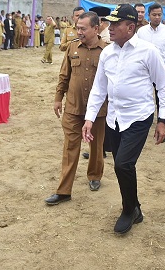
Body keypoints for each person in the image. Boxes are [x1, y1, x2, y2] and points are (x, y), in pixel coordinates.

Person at [83, 4, 165, 235]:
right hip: (114, 118)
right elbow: (98, 89)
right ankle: (136, 208)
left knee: (123, 164)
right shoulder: (107, 52)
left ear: (130, 27)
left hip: (138, 117)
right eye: (109, 23)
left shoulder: (147, 51)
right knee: (122, 165)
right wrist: (89, 118)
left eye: (115, 24)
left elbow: (163, 85)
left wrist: (163, 120)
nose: (109, 28)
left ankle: (128, 210)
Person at [45, 12, 109, 206]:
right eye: (78, 27)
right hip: (73, 107)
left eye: (83, 28)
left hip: (98, 110)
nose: (78, 31)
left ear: (96, 29)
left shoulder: (107, 50)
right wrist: (58, 98)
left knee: (96, 146)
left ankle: (95, 175)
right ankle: (64, 190)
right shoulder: (72, 47)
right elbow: (64, 75)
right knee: (70, 147)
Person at [137, 3, 165, 72]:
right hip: (144, 71)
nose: (157, 17)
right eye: (154, 15)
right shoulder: (141, 31)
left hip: (163, 70)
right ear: (149, 15)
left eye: (159, 15)